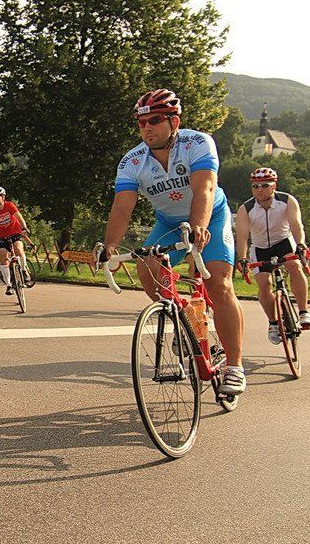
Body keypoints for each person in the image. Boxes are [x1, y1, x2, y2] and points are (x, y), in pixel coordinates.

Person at [102, 88, 246, 396]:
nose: (147, 128)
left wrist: (198, 227)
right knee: (146, 268)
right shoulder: (132, 161)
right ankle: (187, 321)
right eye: (141, 123)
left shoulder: (198, 143)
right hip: (169, 223)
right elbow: (123, 206)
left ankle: (234, 366)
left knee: (219, 284)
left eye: (155, 120)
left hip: (211, 216)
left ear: (174, 122)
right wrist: (109, 245)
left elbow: (205, 188)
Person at [235, 167, 310, 343]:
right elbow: (242, 237)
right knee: (264, 284)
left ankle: (303, 312)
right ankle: (273, 323)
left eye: (265, 185)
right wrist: (243, 258)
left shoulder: (286, 201)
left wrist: (300, 244)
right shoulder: (246, 209)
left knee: (295, 266)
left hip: (283, 242)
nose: (259, 190)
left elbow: (296, 225)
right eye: (255, 186)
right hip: (260, 247)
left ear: (274, 186)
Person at [0, 186, 31, 295]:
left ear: (3, 197)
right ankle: (9, 285)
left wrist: (24, 228)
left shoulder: (10, 205)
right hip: (2, 237)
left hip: (15, 233)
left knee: (18, 249)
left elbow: (20, 218)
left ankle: (24, 270)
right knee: (3, 255)